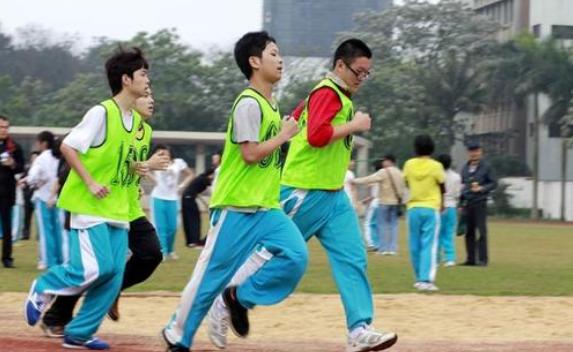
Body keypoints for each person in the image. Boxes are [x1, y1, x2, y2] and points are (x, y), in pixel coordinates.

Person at [212, 38, 398, 352]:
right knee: (270, 253)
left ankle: (359, 329)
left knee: (353, 259)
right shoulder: (329, 92)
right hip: (304, 192)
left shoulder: (328, 93)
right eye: (358, 71)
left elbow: (299, 117)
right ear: (340, 65)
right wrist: (354, 125)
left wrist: (293, 122)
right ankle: (229, 298)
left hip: (334, 196)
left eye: (367, 73)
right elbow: (316, 135)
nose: (362, 78)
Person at [162, 31, 307, 352]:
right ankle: (177, 335)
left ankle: (238, 297)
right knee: (209, 277)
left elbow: (268, 156)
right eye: (273, 53)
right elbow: (250, 153)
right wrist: (284, 135)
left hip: (268, 208)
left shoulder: (271, 105)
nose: (280, 60)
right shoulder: (248, 103)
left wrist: (285, 135)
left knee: (296, 256)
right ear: (254, 62)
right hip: (237, 206)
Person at [24, 47, 149, 350]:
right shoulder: (101, 112)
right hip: (90, 205)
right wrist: (91, 182)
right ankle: (45, 285)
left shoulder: (133, 121)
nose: (147, 80)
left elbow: (120, 161)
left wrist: (140, 169)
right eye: (143, 74)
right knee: (95, 269)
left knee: (113, 276)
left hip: (118, 208)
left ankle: (78, 333)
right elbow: (69, 146)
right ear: (125, 79)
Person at [39, 90, 168, 338]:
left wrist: (137, 179)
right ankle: (56, 317)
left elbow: (127, 168)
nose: (151, 99)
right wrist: (147, 166)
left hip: (128, 207)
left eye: (153, 95)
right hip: (101, 204)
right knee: (94, 267)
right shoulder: (112, 121)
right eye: (146, 94)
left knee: (151, 254)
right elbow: (112, 162)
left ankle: (113, 290)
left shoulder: (146, 132)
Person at [403, 135, 445, 292]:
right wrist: (443, 203)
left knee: (414, 244)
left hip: (413, 208)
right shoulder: (436, 166)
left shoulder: (409, 164)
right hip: (431, 207)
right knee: (430, 244)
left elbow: (406, 182)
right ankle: (426, 280)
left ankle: (418, 278)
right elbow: (442, 186)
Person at [24, 131, 64, 270]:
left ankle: (48, 260)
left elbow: (32, 177)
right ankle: (61, 259)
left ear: (43, 143)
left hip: (43, 198)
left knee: (46, 231)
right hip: (58, 198)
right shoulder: (59, 157)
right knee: (59, 231)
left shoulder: (42, 158)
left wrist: (33, 182)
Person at [148, 145, 194, 260]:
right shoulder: (154, 164)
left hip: (173, 199)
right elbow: (143, 169)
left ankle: (170, 250)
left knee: (173, 227)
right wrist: (153, 179)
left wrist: (182, 186)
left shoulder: (179, 163)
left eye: (165, 153)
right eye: (160, 154)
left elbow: (191, 174)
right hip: (158, 198)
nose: (163, 156)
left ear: (170, 153)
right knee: (160, 227)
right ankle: (162, 252)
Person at [354, 154, 405, 255]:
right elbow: (402, 188)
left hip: (384, 202)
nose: (383, 162)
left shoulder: (384, 171)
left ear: (389, 161)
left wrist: (355, 181)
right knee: (393, 226)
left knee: (382, 226)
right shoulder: (400, 172)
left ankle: (383, 248)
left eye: (384, 160)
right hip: (395, 203)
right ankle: (392, 249)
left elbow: (370, 179)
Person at [460, 141, 497, 266]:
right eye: (471, 151)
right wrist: (461, 203)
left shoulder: (487, 167)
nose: (474, 154)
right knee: (469, 232)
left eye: (476, 151)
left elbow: (493, 183)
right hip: (467, 203)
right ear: (468, 153)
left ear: (480, 152)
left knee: (481, 231)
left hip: (480, 202)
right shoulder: (464, 168)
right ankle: (470, 259)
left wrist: (482, 188)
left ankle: (482, 259)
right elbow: (462, 185)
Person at [0, 115, 24, 268]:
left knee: (7, 227)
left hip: (6, 192)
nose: (4, 130)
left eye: (6, 127)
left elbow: (21, 167)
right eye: (1, 127)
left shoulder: (14, 147)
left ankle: (7, 257)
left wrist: (13, 164)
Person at [437, 154, 462, 267]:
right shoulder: (457, 177)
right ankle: (450, 258)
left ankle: (436, 258)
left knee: (437, 234)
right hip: (452, 207)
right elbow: (458, 194)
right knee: (449, 233)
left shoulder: (437, 176)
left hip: (440, 207)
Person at [181, 168, 215, 247]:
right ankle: (194, 241)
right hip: (188, 198)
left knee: (192, 219)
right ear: (210, 174)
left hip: (188, 198)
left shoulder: (201, 178)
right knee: (193, 220)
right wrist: (208, 204)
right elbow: (211, 191)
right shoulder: (204, 180)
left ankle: (191, 241)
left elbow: (196, 192)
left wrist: (205, 203)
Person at [20, 150, 41, 240]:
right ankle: (25, 234)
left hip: (38, 196)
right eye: (33, 157)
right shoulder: (28, 169)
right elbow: (22, 179)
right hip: (28, 196)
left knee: (38, 218)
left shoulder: (41, 168)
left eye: (36, 157)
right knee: (26, 217)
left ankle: (39, 234)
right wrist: (23, 185)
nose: (34, 159)